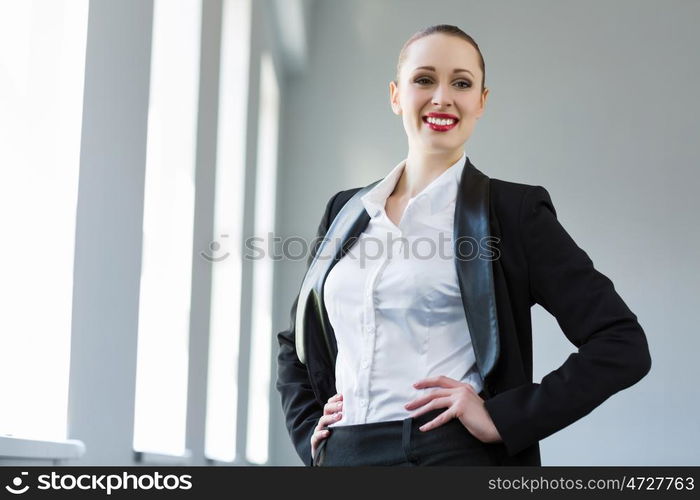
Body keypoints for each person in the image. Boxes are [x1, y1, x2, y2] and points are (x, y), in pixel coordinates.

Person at [275, 24, 651, 466]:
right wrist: (309, 434)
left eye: (461, 83)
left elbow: (621, 342)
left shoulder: (512, 213)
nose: (442, 97)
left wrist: (505, 418)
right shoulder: (345, 210)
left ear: (481, 102)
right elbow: (295, 342)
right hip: (344, 455)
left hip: (446, 456)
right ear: (396, 95)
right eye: (424, 79)